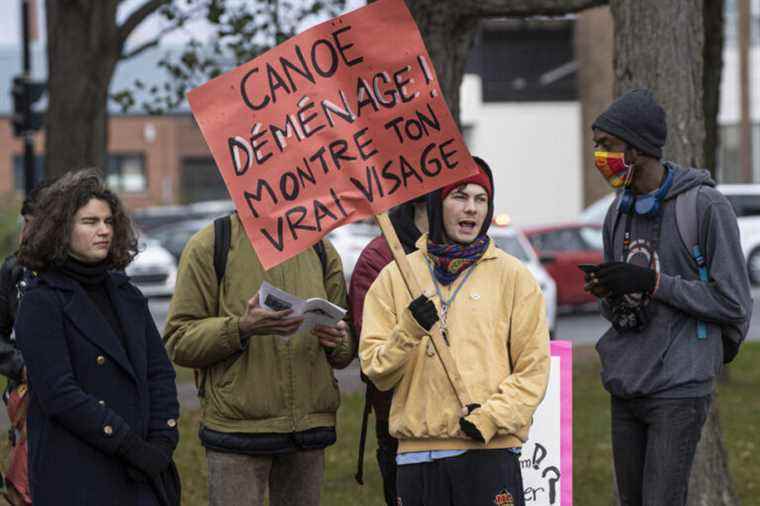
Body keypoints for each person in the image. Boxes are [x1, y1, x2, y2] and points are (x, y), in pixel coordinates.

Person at [585, 89, 753, 506]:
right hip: (627, 382)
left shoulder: (704, 206)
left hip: (679, 386)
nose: (599, 157)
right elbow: (623, 309)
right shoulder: (617, 213)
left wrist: (652, 282)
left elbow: (732, 302)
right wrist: (611, 293)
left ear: (638, 149)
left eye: (607, 146)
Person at [359, 158, 550, 506]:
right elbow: (376, 372)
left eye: (481, 199)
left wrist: (490, 418)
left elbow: (533, 370)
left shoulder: (514, 277)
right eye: (460, 197)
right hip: (417, 458)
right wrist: (408, 330)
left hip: (490, 452)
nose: (471, 209)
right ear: (436, 204)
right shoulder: (396, 276)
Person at [164, 209, 353, 506]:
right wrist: (240, 328)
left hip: (308, 430)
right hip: (238, 432)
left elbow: (344, 346)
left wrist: (339, 340)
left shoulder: (319, 246)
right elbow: (179, 340)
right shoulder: (212, 243)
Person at [14, 169, 180, 506]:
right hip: (79, 470)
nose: (104, 230)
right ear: (61, 229)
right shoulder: (41, 300)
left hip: (143, 473)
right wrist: (127, 445)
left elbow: (159, 372)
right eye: (90, 222)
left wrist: (162, 441)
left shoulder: (125, 293)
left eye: (108, 221)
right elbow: (60, 394)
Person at [348, 196, 427, 505]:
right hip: (400, 423)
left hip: (466, 420)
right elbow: (372, 351)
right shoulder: (379, 257)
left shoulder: (470, 251)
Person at [0, 182, 48, 505]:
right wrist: (21, 366)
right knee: (23, 488)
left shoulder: (82, 274)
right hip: (26, 400)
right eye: (24, 223)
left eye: (33, 225)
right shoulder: (14, 271)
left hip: (76, 404)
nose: (26, 233)